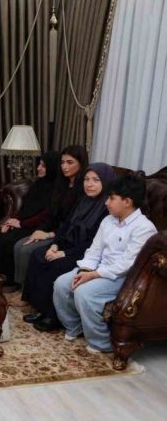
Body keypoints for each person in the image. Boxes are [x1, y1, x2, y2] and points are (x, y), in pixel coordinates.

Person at [53, 174, 157, 353]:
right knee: (62, 284)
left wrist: (93, 275)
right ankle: (75, 327)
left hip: (124, 277)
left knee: (84, 292)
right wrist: (85, 269)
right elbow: (95, 250)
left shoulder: (144, 228)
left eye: (111, 198)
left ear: (127, 201)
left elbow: (127, 264)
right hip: (99, 268)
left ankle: (101, 343)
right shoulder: (108, 220)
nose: (106, 202)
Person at [22, 163, 116, 331]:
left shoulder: (107, 209)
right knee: (38, 255)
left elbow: (92, 244)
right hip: (67, 244)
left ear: (106, 182)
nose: (89, 184)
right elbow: (65, 225)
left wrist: (63, 253)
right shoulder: (82, 200)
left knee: (57, 265)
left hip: (86, 253)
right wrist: (55, 244)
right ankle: (40, 309)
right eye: (87, 179)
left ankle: (53, 317)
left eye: (96, 180)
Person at [13, 145, 88, 286]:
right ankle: (21, 287)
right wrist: (39, 230)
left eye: (70, 162)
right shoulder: (61, 184)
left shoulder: (84, 189)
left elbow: (71, 224)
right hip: (52, 230)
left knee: (27, 250)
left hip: (64, 235)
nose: (64, 167)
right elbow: (51, 214)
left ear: (81, 164)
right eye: (62, 162)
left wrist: (49, 235)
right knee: (19, 246)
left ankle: (26, 289)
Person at [0, 151, 61, 292]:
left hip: (40, 227)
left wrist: (21, 224)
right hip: (25, 222)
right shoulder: (38, 184)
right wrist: (11, 221)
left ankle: (9, 283)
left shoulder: (57, 189)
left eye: (43, 166)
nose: (38, 168)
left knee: (9, 241)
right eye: (39, 164)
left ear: (52, 167)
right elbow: (25, 207)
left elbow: (45, 215)